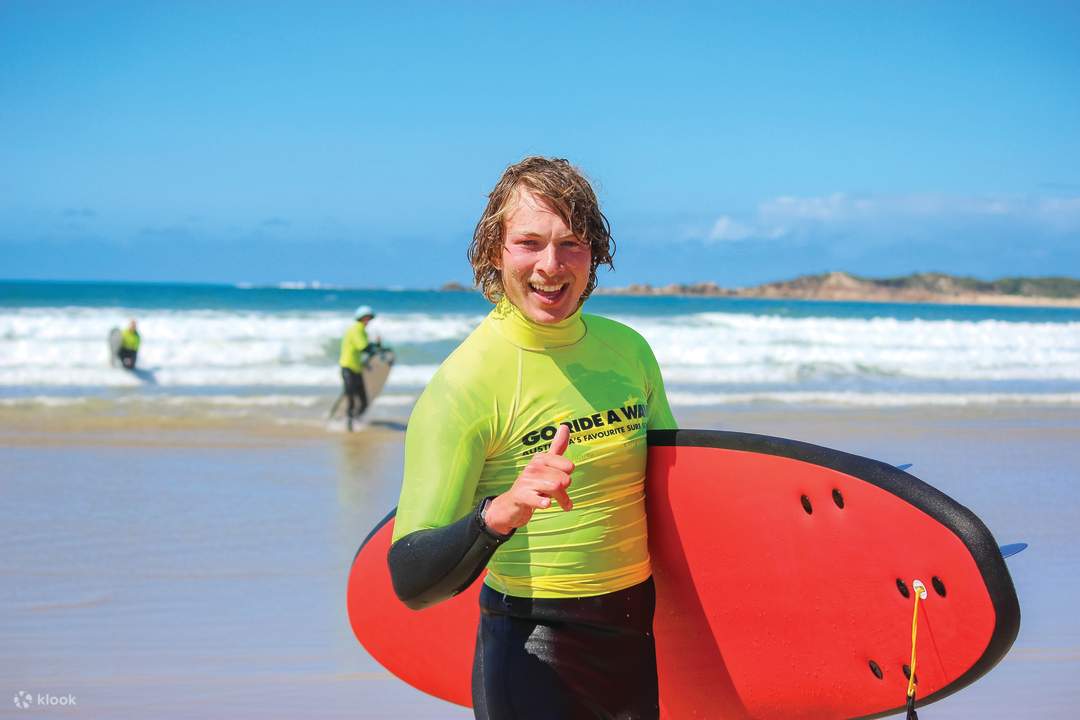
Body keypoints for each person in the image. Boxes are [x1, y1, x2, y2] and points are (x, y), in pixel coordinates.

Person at [388, 157, 677, 719]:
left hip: (637, 638)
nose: (551, 264)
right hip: (533, 653)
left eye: (571, 243)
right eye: (529, 243)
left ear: (594, 253)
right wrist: (500, 512)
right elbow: (410, 578)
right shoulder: (465, 386)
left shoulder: (629, 352)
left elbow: (677, 497)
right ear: (494, 251)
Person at [339, 305, 376, 431]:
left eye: (369, 318)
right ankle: (349, 427)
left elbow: (366, 347)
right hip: (348, 367)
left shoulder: (362, 330)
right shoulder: (356, 329)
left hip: (357, 369)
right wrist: (375, 348)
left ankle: (356, 421)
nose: (368, 321)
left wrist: (374, 346)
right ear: (360, 318)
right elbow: (363, 347)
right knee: (351, 400)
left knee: (364, 401)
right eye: (366, 318)